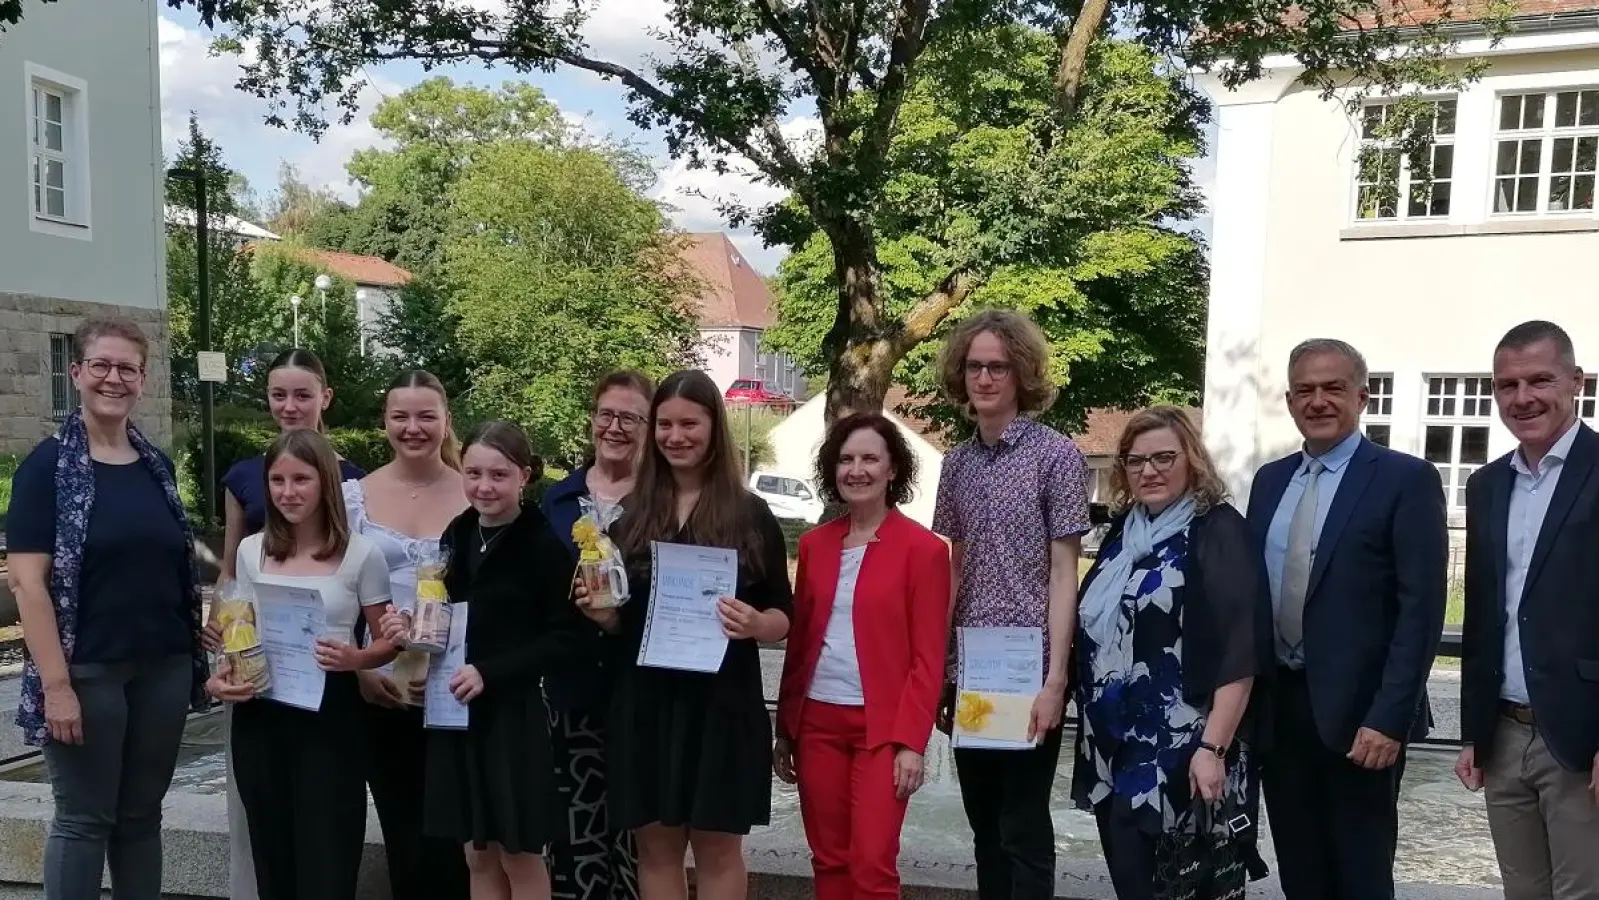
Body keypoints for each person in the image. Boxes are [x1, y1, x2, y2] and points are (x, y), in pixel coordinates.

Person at [6, 318, 209, 900]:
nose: (113, 378)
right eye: (101, 365)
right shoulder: (46, 469)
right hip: (87, 672)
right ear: (77, 373)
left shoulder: (155, 467)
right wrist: (57, 687)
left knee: (143, 819)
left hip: (163, 667)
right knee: (83, 821)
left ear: (142, 379)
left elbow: (172, 566)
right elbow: (27, 585)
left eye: (127, 368)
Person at [574, 370, 793, 900]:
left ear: (714, 428)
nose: (676, 436)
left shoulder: (750, 514)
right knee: (657, 851)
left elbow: (784, 614)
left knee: (719, 851)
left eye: (689, 424)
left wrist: (758, 624)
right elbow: (624, 621)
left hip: (722, 705)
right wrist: (603, 617)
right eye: (666, 425)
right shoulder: (629, 518)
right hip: (646, 705)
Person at [1246, 338, 1448, 900]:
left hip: (1363, 719)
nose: (1318, 401)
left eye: (1333, 388)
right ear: (1289, 401)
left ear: (1362, 396)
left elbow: (1422, 611)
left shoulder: (1404, 479)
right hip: (1280, 713)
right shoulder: (1269, 481)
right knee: (1302, 874)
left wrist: (1390, 717)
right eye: (1305, 390)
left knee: (1360, 875)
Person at [380, 421, 602, 900]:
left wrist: (491, 672)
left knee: (518, 854)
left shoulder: (542, 545)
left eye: (498, 475)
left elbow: (569, 638)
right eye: (474, 473)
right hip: (454, 710)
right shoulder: (457, 534)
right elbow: (439, 615)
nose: (484, 486)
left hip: (513, 717)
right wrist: (409, 632)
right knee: (476, 854)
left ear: (524, 476)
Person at [1072, 406, 1272, 899]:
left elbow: (1240, 649)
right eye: (1136, 461)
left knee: (1192, 889)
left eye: (1164, 457)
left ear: (1192, 460)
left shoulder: (1218, 529)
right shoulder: (1125, 532)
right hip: (1115, 751)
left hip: (1188, 751)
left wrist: (1213, 749)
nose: (1149, 471)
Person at [931, 309, 1090, 900]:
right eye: (975, 366)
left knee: (1023, 825)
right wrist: (941, 669)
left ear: (1021, 373)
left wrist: (1055, 679)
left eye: (998, 366)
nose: (986, 378)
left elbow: (1063, 572)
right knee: (983, 827)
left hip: (1030, 671)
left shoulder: (1057, 457)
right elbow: (955, 567)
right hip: (971, 670)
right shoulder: (957, 464)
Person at [207, 428, 396, 900]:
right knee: (273, 856)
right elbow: (239, 635)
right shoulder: (252, 551)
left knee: (328, 856)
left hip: (329, 717)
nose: (288, 492)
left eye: (301, 480)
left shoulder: (361, 554)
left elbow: (386, 643)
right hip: (261, 712)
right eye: (277, 480)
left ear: (325, 483)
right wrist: (222, 678)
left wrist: (357, 658)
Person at [773, 412, 951, 900]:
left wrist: (913, 742)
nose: (857, 469)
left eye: (870, 458)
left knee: (873, 866)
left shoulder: (925, 550)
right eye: (846, 459)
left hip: (883, 730)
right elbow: (803, 642)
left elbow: (928, 657)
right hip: (817, 724)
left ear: (893, 469)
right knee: (829, 860)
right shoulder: (814, 546)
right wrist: (785, 728)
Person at [1456, 320, 1599, 900]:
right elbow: (1485, 615)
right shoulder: (1488, 484)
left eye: (1540, 379)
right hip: (1505, 733)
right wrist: (1474, 731)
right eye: (1506, 385)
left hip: (1581, 735)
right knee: (1523, 892)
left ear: (1577, 382)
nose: (1523, 398)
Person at [344, 370, 470, 900]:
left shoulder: (476, 488)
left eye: (426, 416)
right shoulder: (355, 497)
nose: (412, 428)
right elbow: (336, 593)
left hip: (459, 688)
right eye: (401, 416)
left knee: (461, 838)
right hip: (382, 690)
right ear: (385, 422)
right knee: (404, 832)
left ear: (445, 422)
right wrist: (363, 670)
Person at [541, 371, 654, 900]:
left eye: (630, 418)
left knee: (644, 846)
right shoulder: (556, 502)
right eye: (606, 414)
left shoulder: (665, 500)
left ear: (648, 428)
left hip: (643, 695)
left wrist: (618, 620)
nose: (615, 427)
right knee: (573, 840)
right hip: (570, 691)